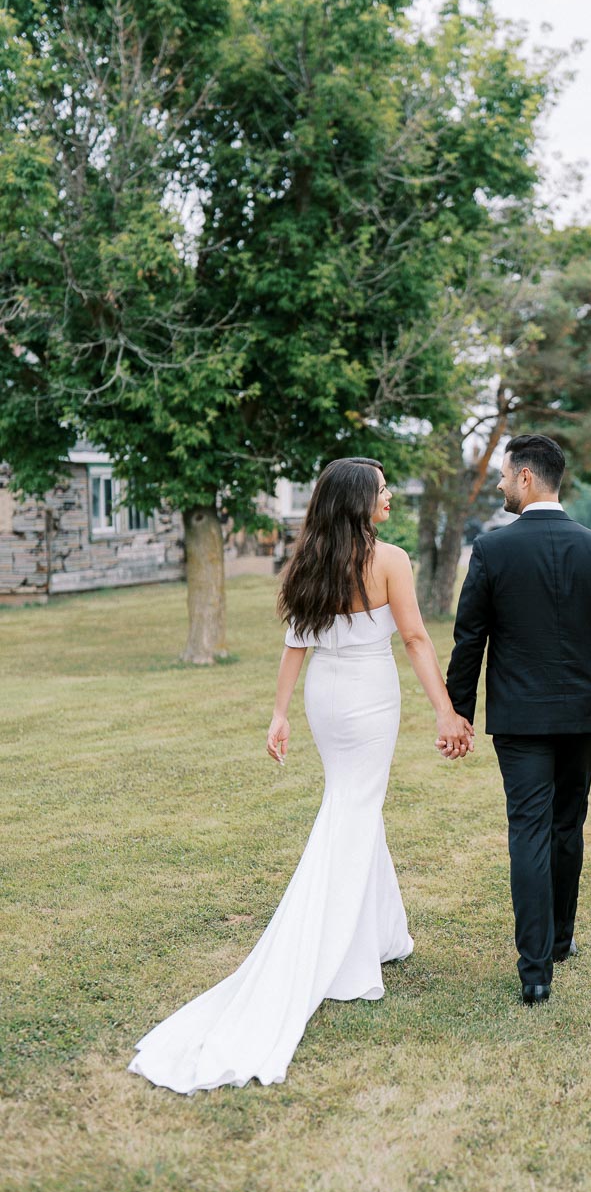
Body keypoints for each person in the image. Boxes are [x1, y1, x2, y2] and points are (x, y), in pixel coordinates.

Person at [128, 457, 473, 1094]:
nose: (389, 495)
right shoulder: (389, 560)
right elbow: (418, 640)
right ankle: (338, 957)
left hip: (326, 697)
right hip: (369, 697)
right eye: (381, 488)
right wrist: (446, 711)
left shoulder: (309, 560)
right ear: (359, 500)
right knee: (353, 810)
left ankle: (382, 932)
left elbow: (297, 644)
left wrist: (282, 713)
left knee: (354, 805)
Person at [443, 434, 591, 1006]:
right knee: (567, 825)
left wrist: (458, 710)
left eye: (504, 475)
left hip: (520, 720)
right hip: (581, 715)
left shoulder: (494, 550)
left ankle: (535, 970)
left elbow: (469, 636)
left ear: (527, 479)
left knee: (528, 831)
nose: (499, 484)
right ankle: (561, 940)